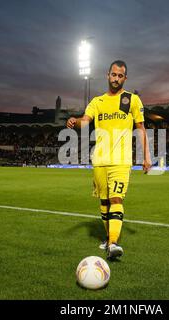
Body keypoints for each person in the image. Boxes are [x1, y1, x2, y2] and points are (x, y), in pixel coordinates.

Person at [67, 60, 151, 260]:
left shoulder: (132, 100)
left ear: (125, 78)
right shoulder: (97, 102)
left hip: (121, 160)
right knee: (104, 202)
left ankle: (113, 243)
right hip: (99, 160)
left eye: (120, 76)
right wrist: (74, 121)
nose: (116, 79)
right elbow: (85, 122)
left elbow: (140, 128)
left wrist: (146, 156)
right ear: (108, 75)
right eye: (113, 75)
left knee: (116, 198)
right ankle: (108, 238)